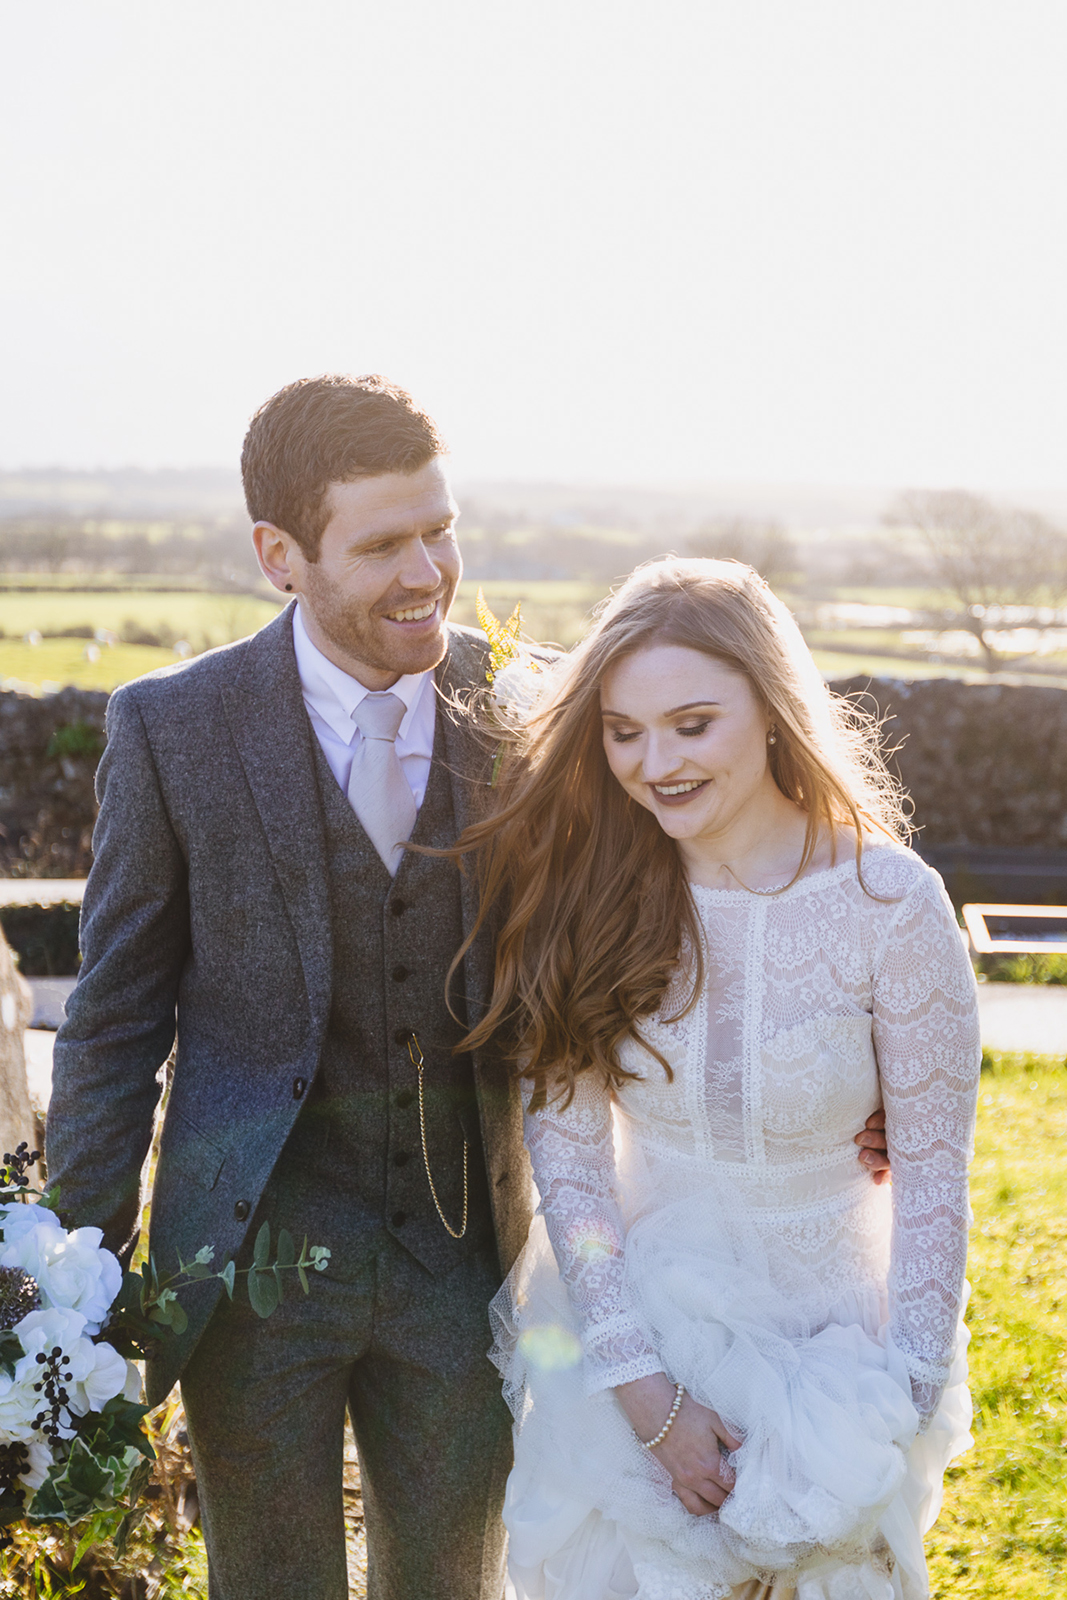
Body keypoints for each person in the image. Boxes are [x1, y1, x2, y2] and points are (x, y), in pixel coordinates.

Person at [45, 380, 890, 1600]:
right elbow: (115, 1021)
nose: (426, 570)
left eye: (438, 528)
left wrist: (849, 1082)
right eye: (382, 543)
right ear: (279, 555)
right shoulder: (173, 729)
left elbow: (685, 909)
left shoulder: (536, 712)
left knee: (449, 1584)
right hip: (248, 1271)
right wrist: (56, 1282)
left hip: (470, 1266)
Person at [455, 558, 979, 1600]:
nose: (655, 762)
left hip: (839, 1355)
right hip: (633, 1345)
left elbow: (934, 1190)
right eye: (623, 730)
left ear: (772, 708)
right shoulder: (588, 890)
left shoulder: (891, 906)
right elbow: (569, 1169)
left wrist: (875, 1428)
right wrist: (646, 1401)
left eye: (691, 723)